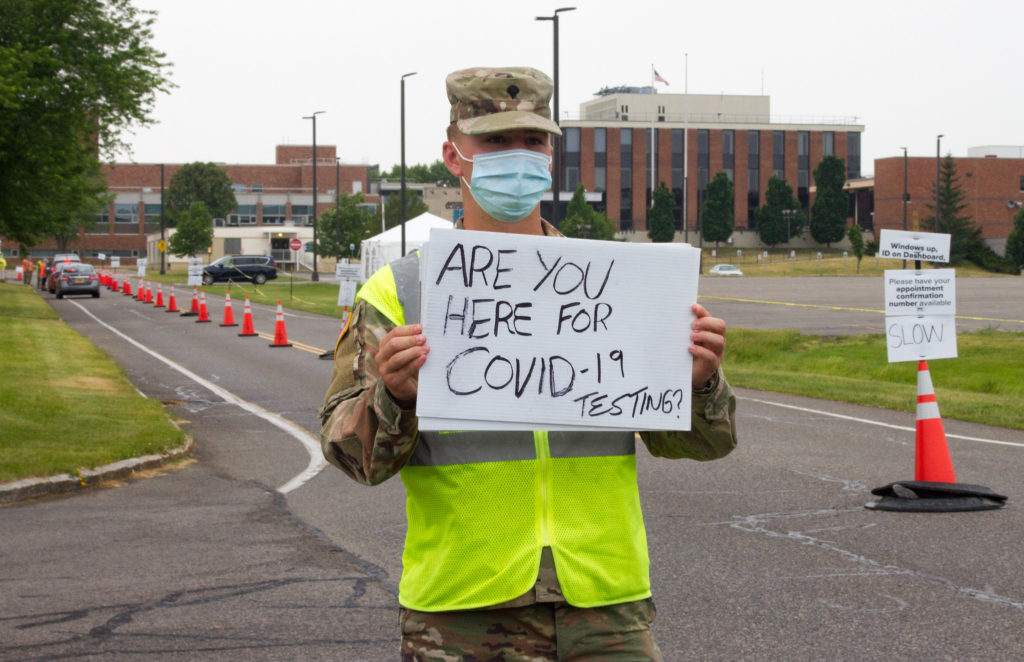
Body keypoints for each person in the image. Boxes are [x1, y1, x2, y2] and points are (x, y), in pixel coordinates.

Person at [319, 66, 738, 661]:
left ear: (551, 154)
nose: (517, 156)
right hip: (463, 609)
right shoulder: (399, 293)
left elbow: (706, 445)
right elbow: (351, 458)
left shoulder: (619, 286)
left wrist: (697, 385)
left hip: (606, 603)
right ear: (453, 154)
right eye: (494, 141)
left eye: (533, 141)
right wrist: (395, 397)